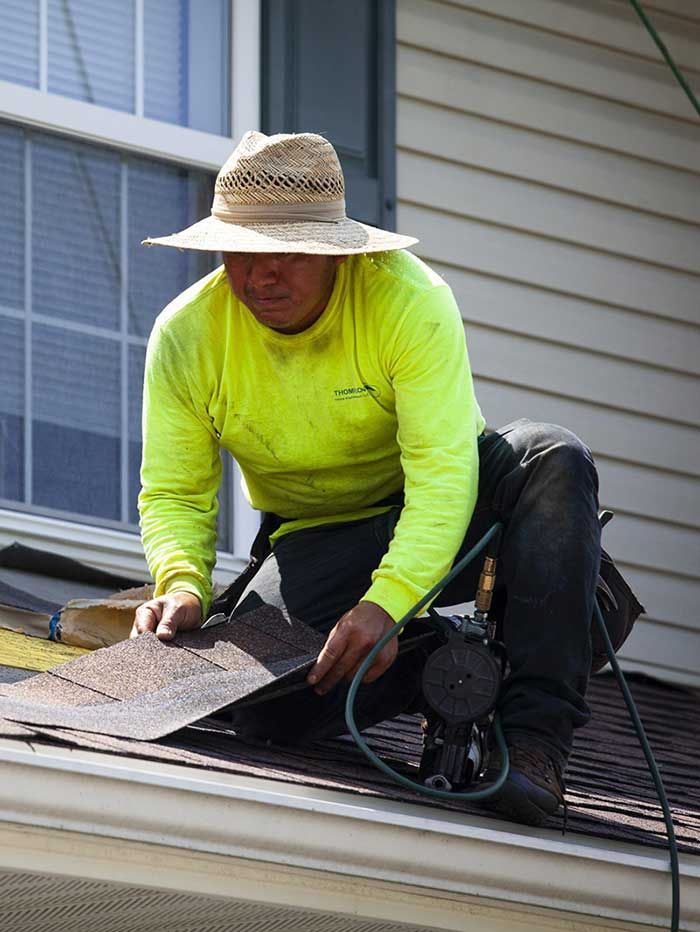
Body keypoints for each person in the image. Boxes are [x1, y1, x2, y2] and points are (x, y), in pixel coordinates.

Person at [132, 131, 602, 827]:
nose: (261, 276)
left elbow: (445, 477)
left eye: (286, 252)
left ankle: (532, 745)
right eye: (241, 251)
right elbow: (174, 490)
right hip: (320, 534)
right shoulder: (185, 335)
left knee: (554, 457)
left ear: (336, 252)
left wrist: (388, 603)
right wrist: (182, 582)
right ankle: (440, 659)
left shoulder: (409, 300)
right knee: (258, 714)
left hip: (462, 504)